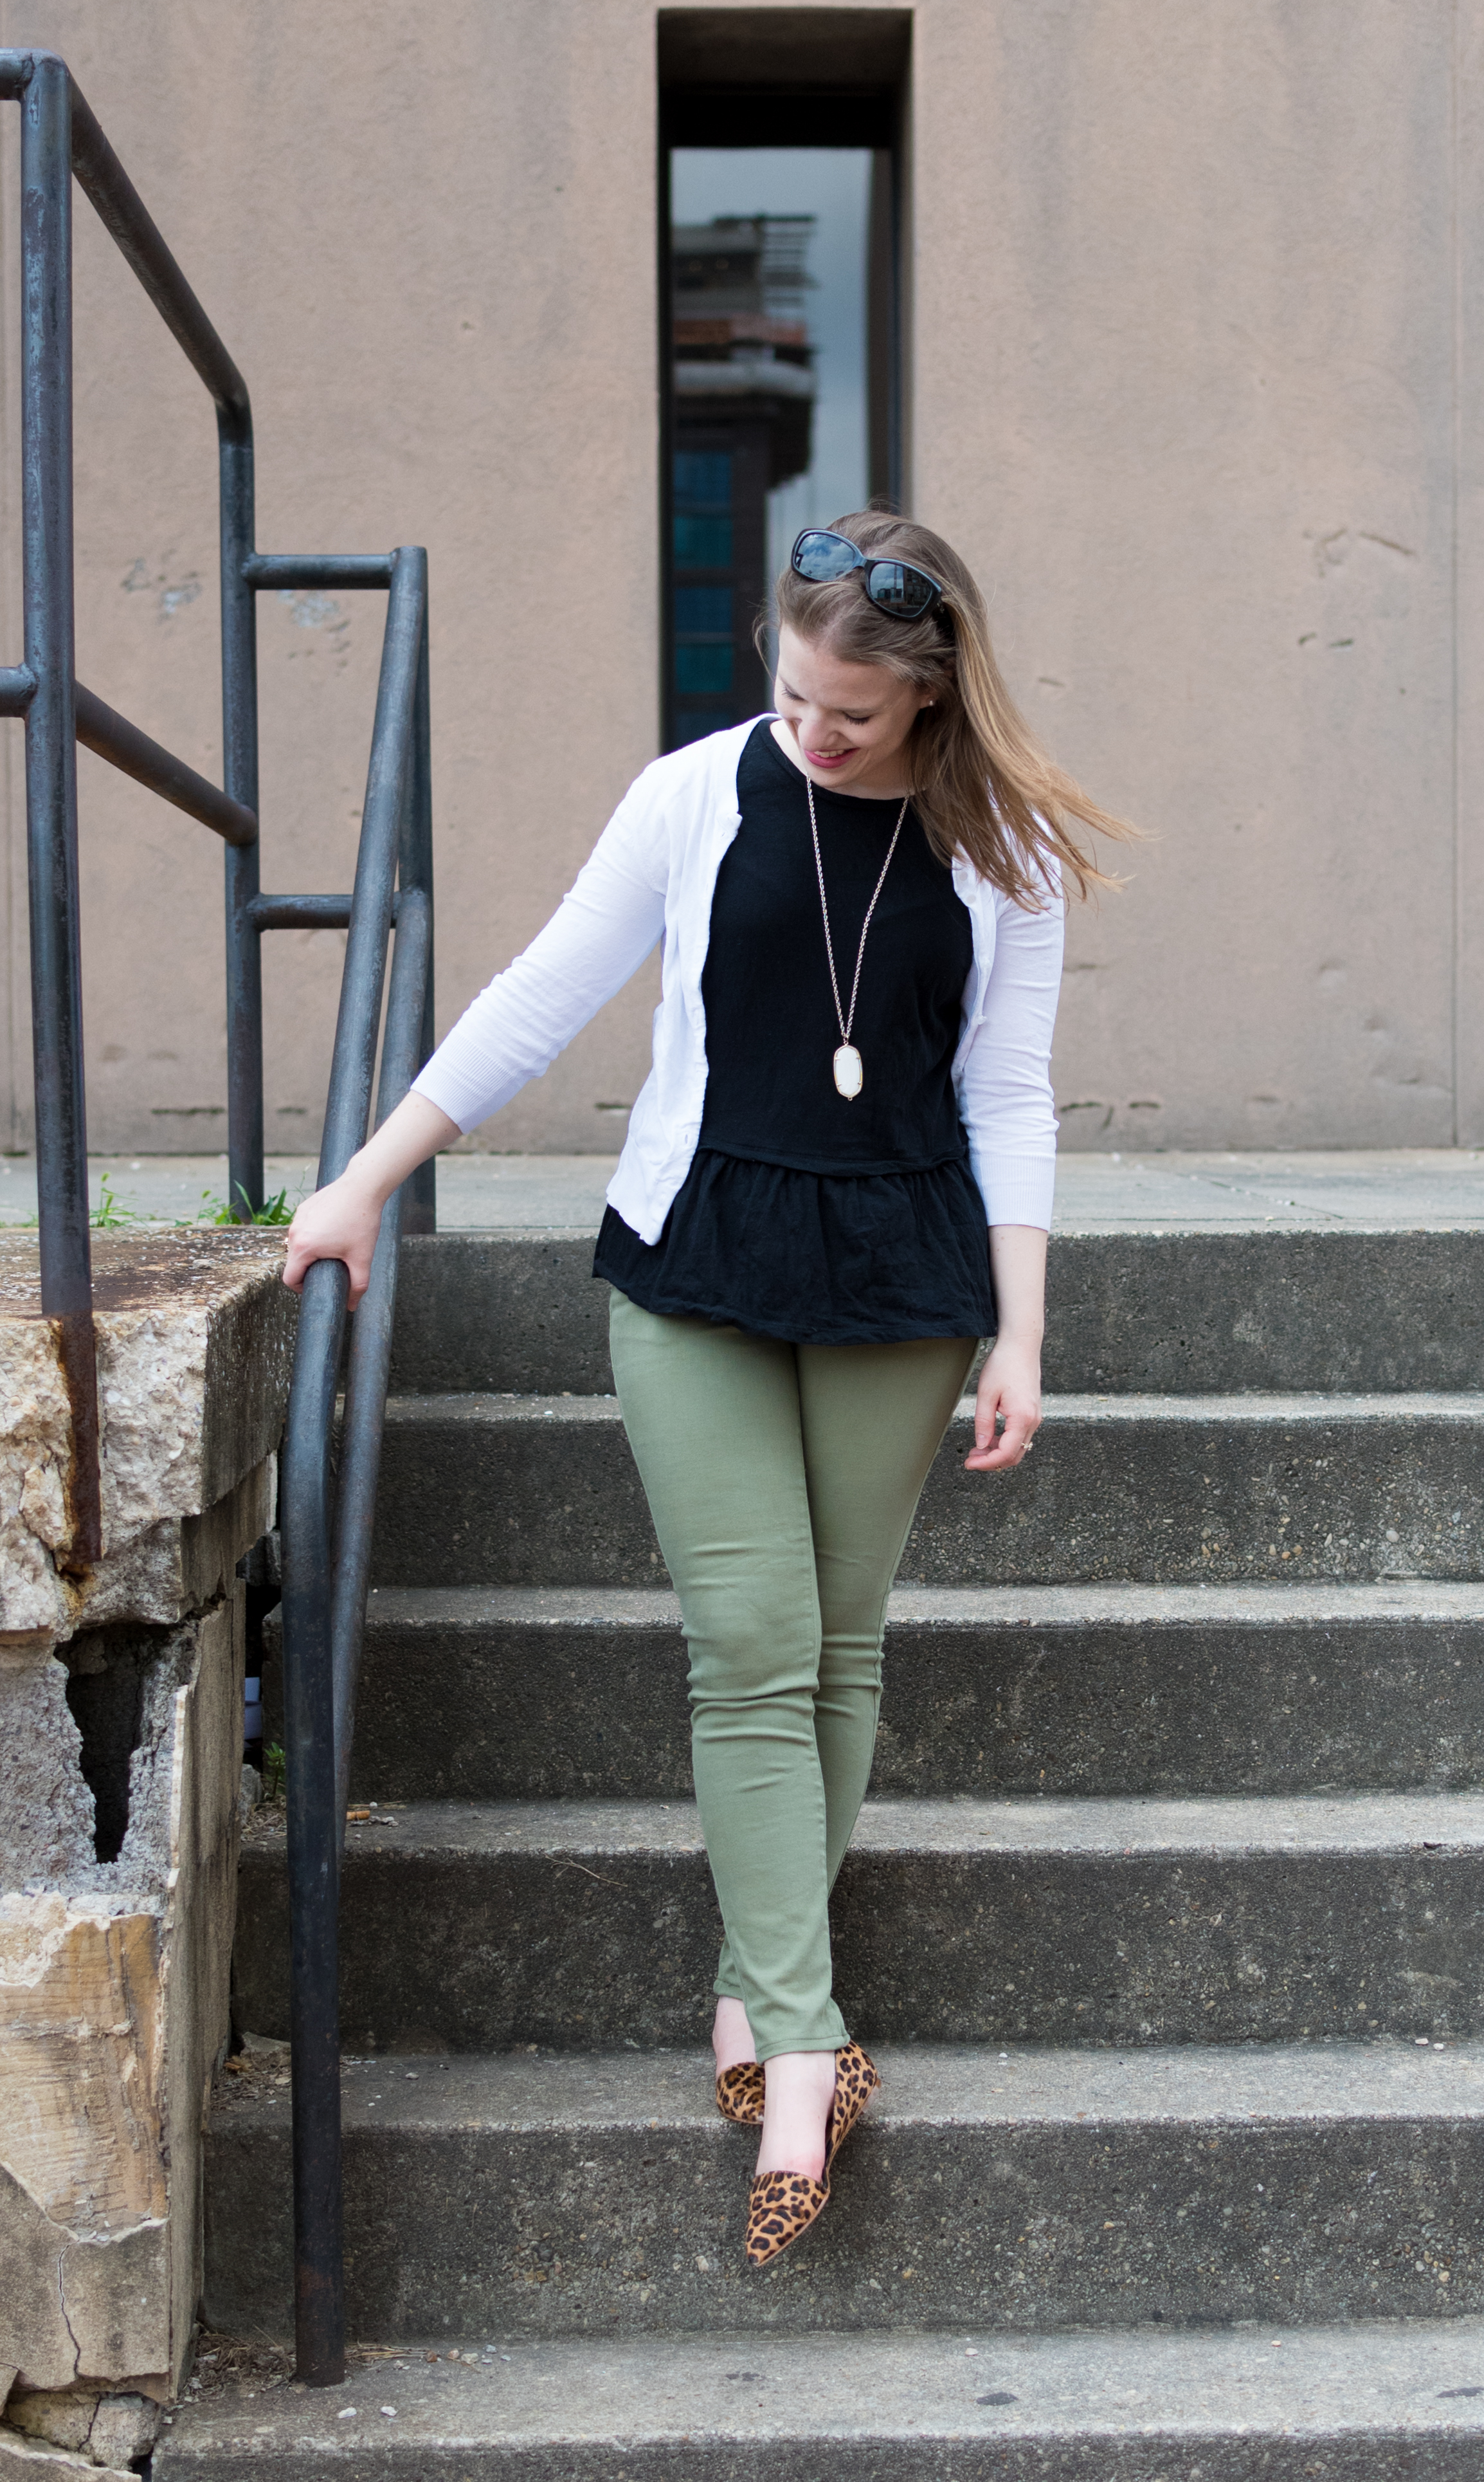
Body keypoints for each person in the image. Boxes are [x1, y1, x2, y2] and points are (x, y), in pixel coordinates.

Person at [282, 509, 1131, 2268]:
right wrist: (368, 1178)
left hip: (904, 1282)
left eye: (851, 711)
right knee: (750, 1642)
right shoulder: (692, 796)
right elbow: (539, 996)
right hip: (696, 1267)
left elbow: (1013, 1096)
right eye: (794, 690)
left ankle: (756, 1986)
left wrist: (1023, 1328)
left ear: (928, 693)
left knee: (839, 1635)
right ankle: (806, 2053)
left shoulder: (1004, 853)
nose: (811, 729)